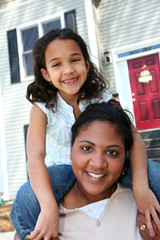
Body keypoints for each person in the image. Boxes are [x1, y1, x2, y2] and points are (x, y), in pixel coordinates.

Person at [10, 28, 160, 240]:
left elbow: (134, 138)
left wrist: (141, 187)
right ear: (46, 74)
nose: (68, 70)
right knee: (26, 195)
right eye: (57, 64)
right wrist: (49, 206)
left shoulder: (100, 97)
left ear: (87, 65)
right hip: (64, 171)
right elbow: (35, 156)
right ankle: (32, 236)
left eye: (75, 60)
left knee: (155, 173)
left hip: (107, 162)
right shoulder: (42, 108)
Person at [12, 101, 158, 240]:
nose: (98, 163)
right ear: (70, 148)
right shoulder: (41, 219)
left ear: (126, 154)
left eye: (112, 152)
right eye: (87, 148)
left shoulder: (146, 204)